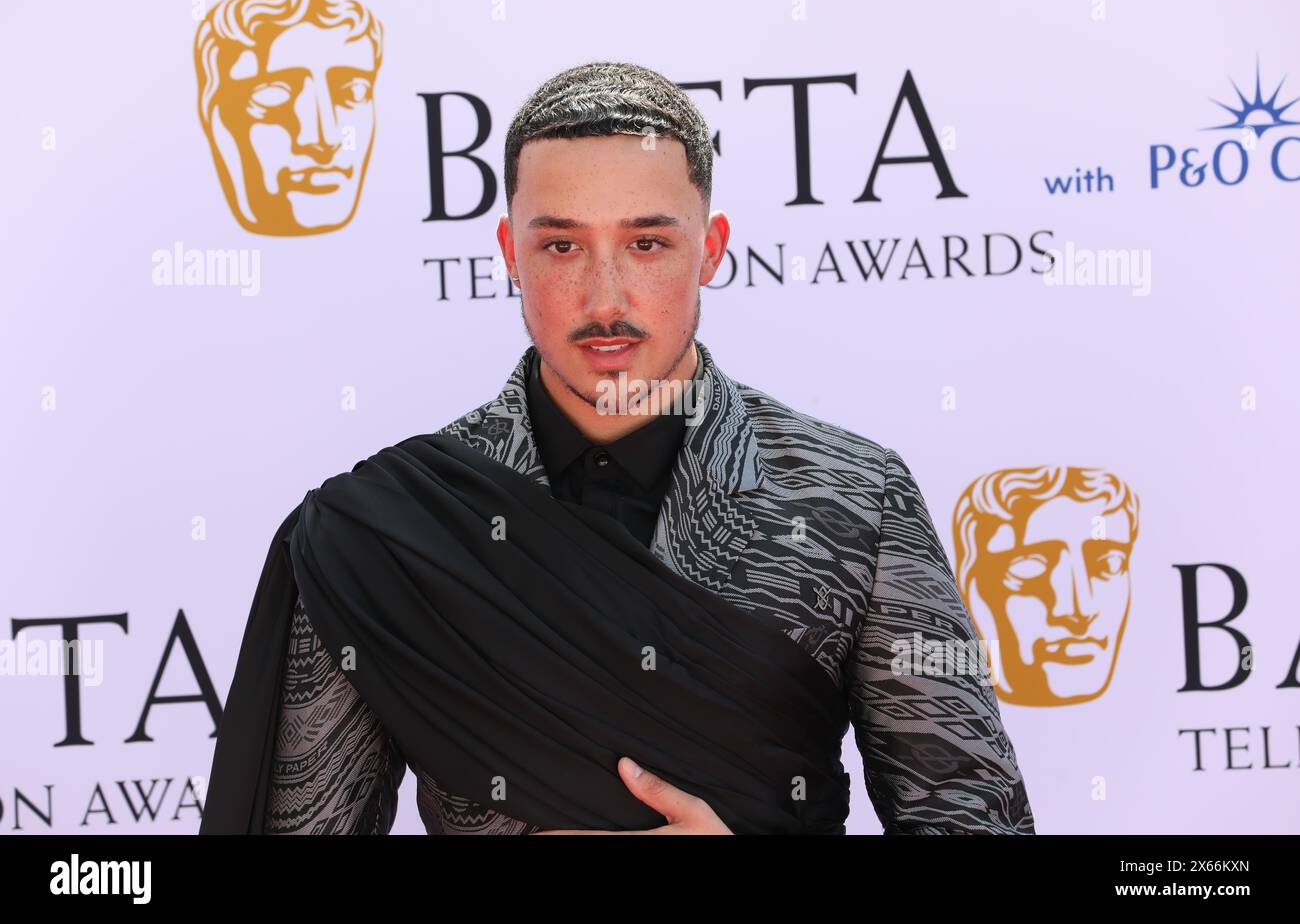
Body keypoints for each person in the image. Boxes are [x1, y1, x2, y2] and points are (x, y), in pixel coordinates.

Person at [200, 60, 1035, 835]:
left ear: (708, 248)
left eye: (647, 243)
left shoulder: (858, 497)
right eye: (561, 245)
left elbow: (977, 822)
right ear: (509, 256)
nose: (605, 297)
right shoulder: (384, 530)